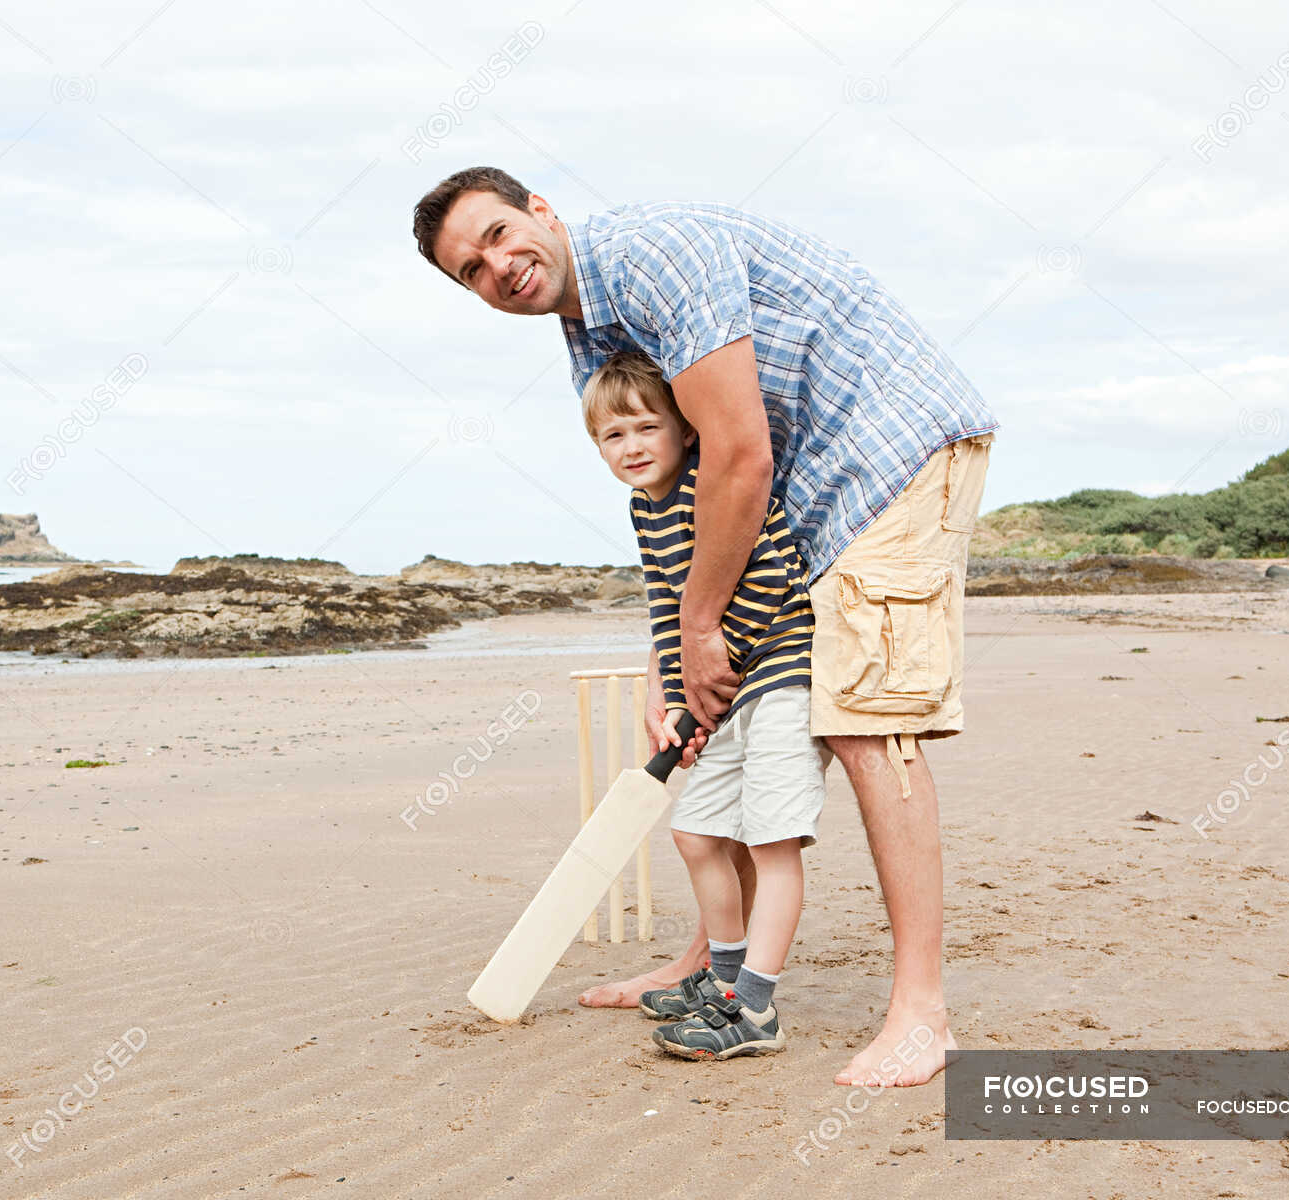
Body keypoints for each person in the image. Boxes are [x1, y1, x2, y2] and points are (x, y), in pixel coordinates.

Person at [412, 166, 997, 1087]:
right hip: (794, 498)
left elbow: (737, 450)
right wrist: (671, 664)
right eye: (470, 271)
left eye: (496, 235)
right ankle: (713, 965)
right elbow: (675, 502)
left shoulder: (652, 257)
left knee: (867, 727)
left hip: (889, 452)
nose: (496, 267)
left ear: (542, 212)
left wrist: (700, 625)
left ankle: (923, 1015)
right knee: (727, 773)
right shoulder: (587, 331)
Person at [583, 351, 825, 1060]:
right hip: (724, 686)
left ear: (685, 430)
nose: (630, 448)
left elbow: (775, 570)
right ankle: (722, 981)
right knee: (696, 833)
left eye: (644, 428)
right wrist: (673, 690)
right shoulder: (643, 508)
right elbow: (671, 602)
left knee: (770, 840)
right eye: (612, 436)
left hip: (781, 672)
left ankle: (754, 1011)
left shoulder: (708, 485)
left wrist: (713, 671)